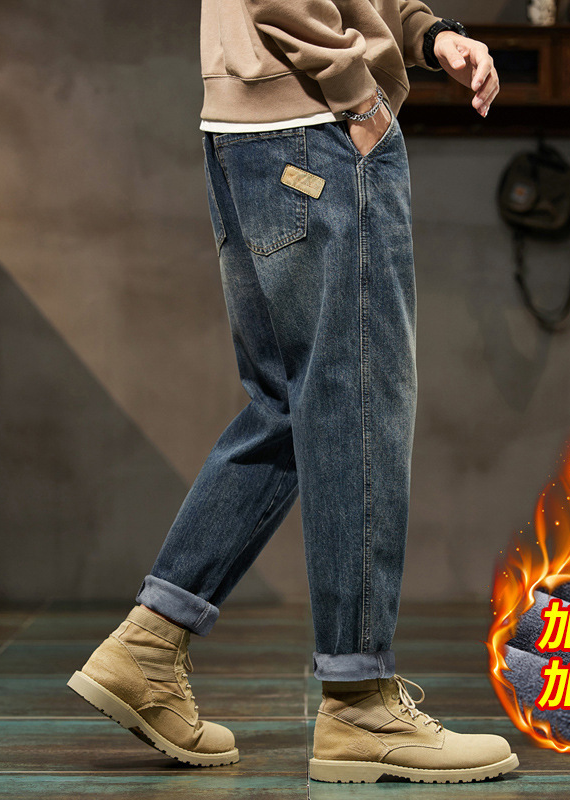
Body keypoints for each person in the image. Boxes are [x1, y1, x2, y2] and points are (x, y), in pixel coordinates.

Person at [68, 0, 518, 784]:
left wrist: (430, 34)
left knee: (292, 403)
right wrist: (357, 94)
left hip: (252, 130)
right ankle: (360, 700)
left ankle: (149, 643)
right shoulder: (338, 101)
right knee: (359, 401)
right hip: (315, 124)